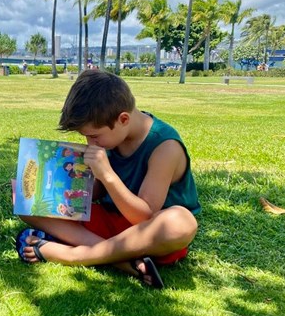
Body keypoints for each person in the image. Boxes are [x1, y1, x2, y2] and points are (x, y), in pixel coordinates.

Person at [16, 70, 200, 288]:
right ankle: (123, 262)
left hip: (148, 236)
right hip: (113, 230)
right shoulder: (112, 138)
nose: (90, 143)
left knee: (181, 222)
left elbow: (144, 217)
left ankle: (72, 255)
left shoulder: (165, 147)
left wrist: (107, 174)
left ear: (123, 119)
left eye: (94, 135)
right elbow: (98, 191)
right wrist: (54, 189)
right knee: (23, 201)